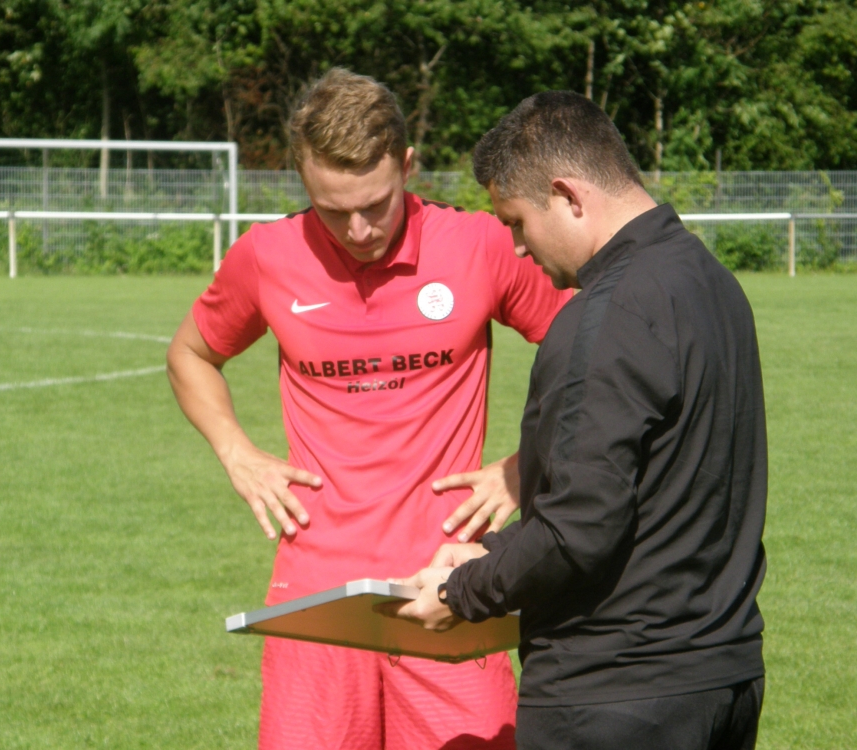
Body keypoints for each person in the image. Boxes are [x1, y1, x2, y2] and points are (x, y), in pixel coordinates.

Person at [165, 69, 571, 750]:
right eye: (331, 210)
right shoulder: (266, 255)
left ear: (407, 166)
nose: (357, 229)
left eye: (376, 205)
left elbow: (594, 355)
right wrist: (237, 453)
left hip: (451, 579)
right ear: (303, 181)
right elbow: (190, 354)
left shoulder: (478, 246)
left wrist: (524, 467)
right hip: (316, 590)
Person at [390, 91, 768, 750]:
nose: (516, 247)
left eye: (516, 220)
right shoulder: (711, 281)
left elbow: (577, 529)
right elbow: (647, 493)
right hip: (721, 679)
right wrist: (493, 553)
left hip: (613, 696)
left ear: (567, 195)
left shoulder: (606, 314)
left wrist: (460, 592)